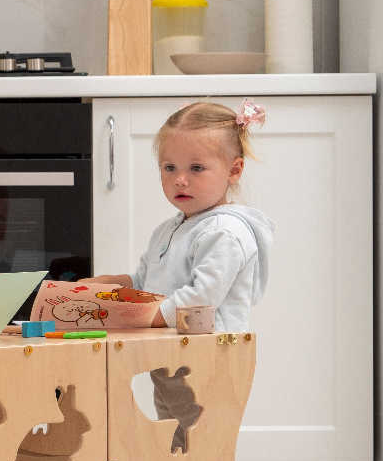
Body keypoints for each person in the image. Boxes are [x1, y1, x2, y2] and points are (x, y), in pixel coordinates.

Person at [91, 99, 274, 333]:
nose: (180, 179)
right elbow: (145, 284)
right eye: (169, 168)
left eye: (196, 168)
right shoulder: (167, 230)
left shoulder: (224, 232)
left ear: (234, 170)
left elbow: (200, 299)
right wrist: (105, 286)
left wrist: (142, 317)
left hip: (212, 358)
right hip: (173, 356)